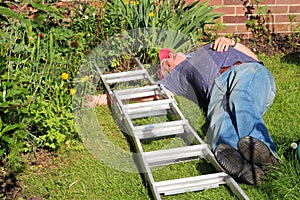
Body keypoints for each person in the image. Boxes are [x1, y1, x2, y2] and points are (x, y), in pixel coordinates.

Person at [88, 37, 280, 185]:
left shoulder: (209, 46)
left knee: (241, 98)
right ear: (165, 74)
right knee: (218, 120)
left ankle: (265, 152)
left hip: (246, 72)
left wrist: (232, 42)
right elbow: (149, 94)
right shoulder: (177, 78)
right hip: (217, 91)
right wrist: (100, 99)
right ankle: (243, 166)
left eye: (170, 53)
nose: (169, 55)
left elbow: (255, 58)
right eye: (165, 61)